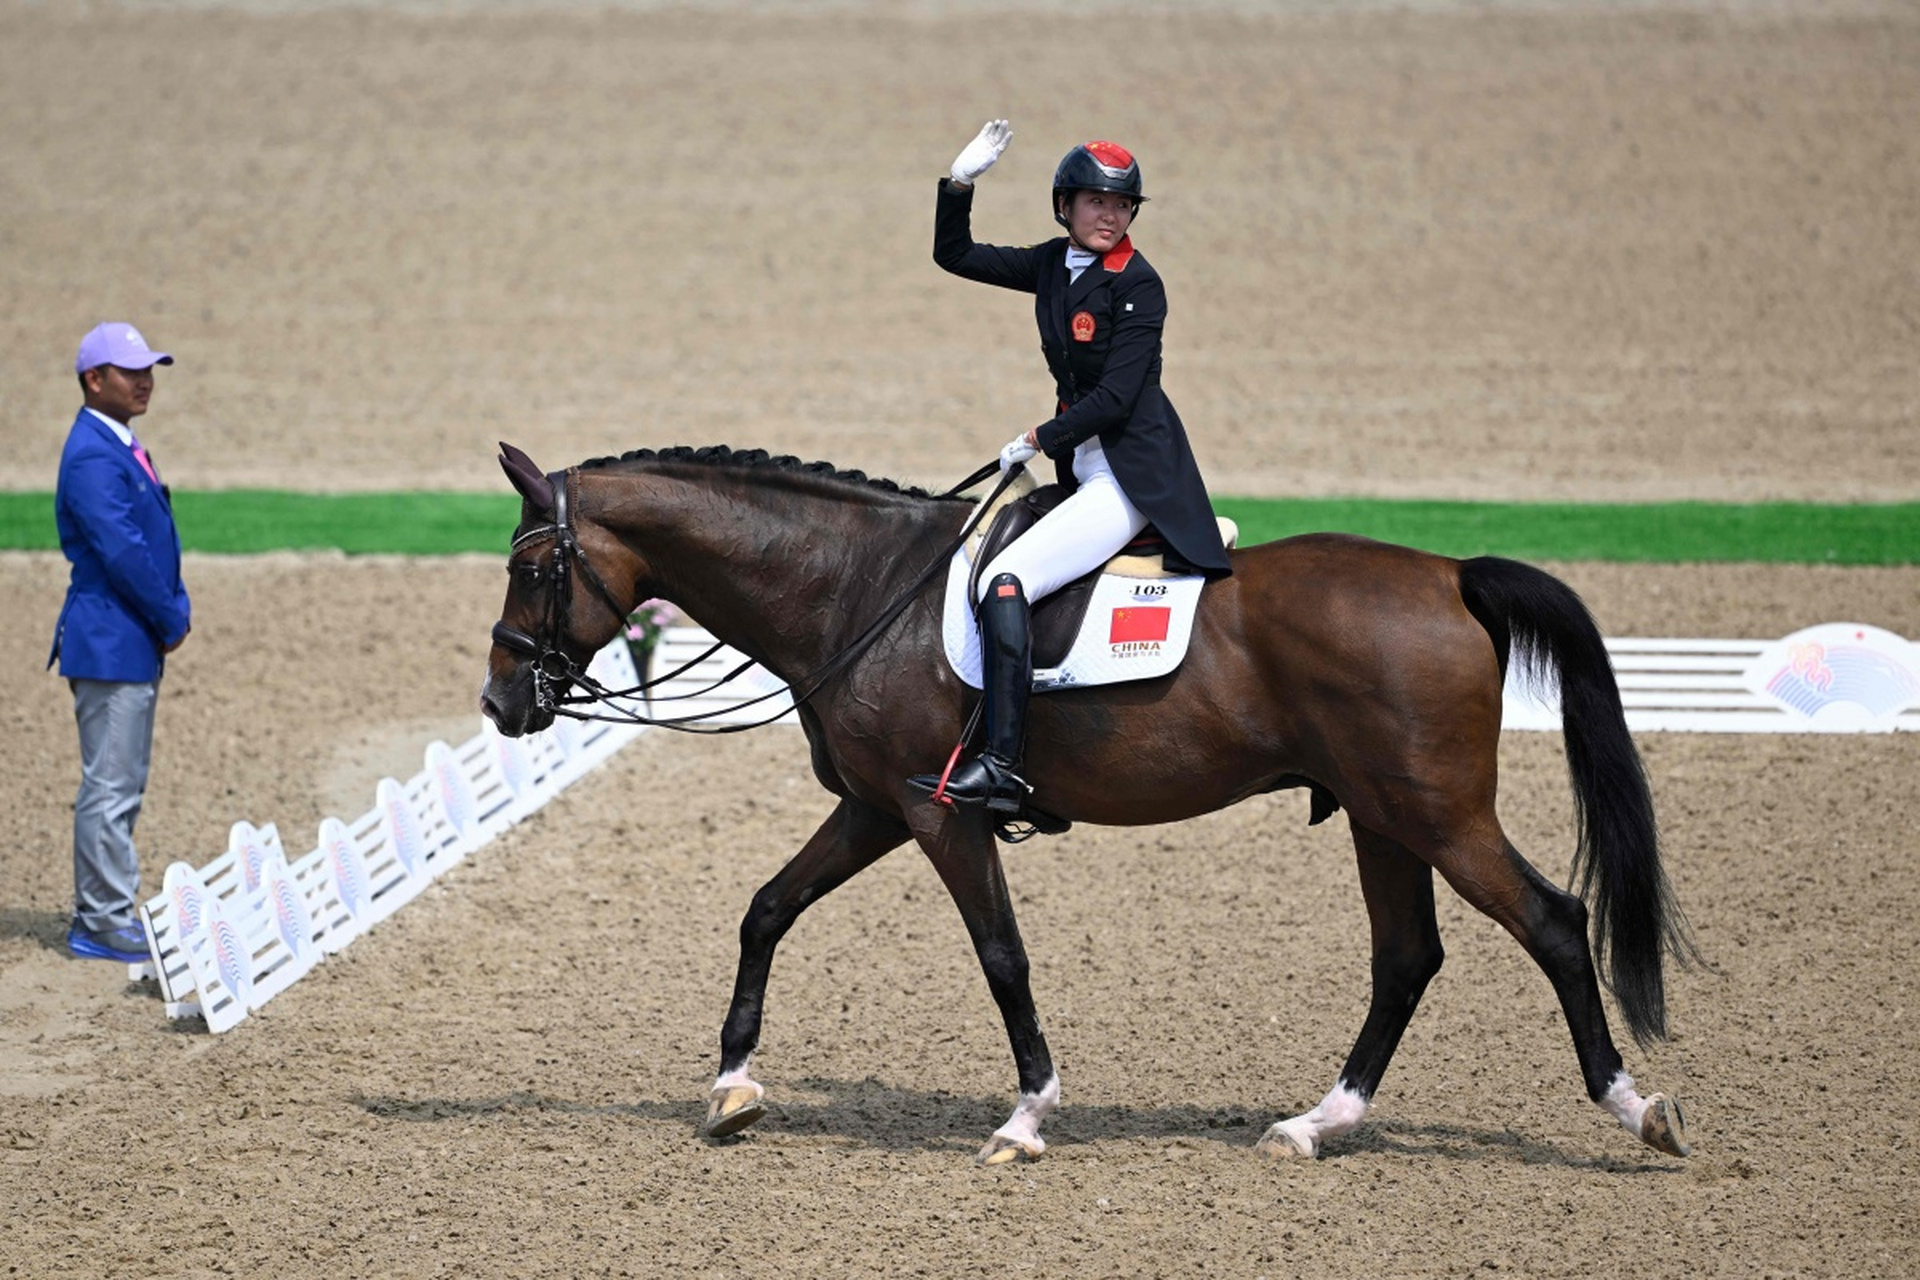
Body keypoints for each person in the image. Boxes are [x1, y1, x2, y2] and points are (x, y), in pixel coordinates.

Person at [909, 120, 1233, 815]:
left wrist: (1037, 434)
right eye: (1095, 202)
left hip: (1130, 475)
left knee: (1006, 583)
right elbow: (955, 255)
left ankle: (1002, 763)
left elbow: (1118, 396)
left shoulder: (1140, 285)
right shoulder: (1052, 265)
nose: (1109, 215)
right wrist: (960, 183)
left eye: (1121, 206)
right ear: (1065, 206)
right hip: (1080, 467)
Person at [48, 322, 191, 964]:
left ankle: (106, 910)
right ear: (92, 379)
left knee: (122, 781)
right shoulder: (91, 454)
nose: (144, 381)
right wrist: (171, 614)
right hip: (112, 638)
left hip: (128, 637)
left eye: (149, 369)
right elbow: (123, 552)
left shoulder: (120, 443)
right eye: (129, 371)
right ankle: (101, 921)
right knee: (110, 784)